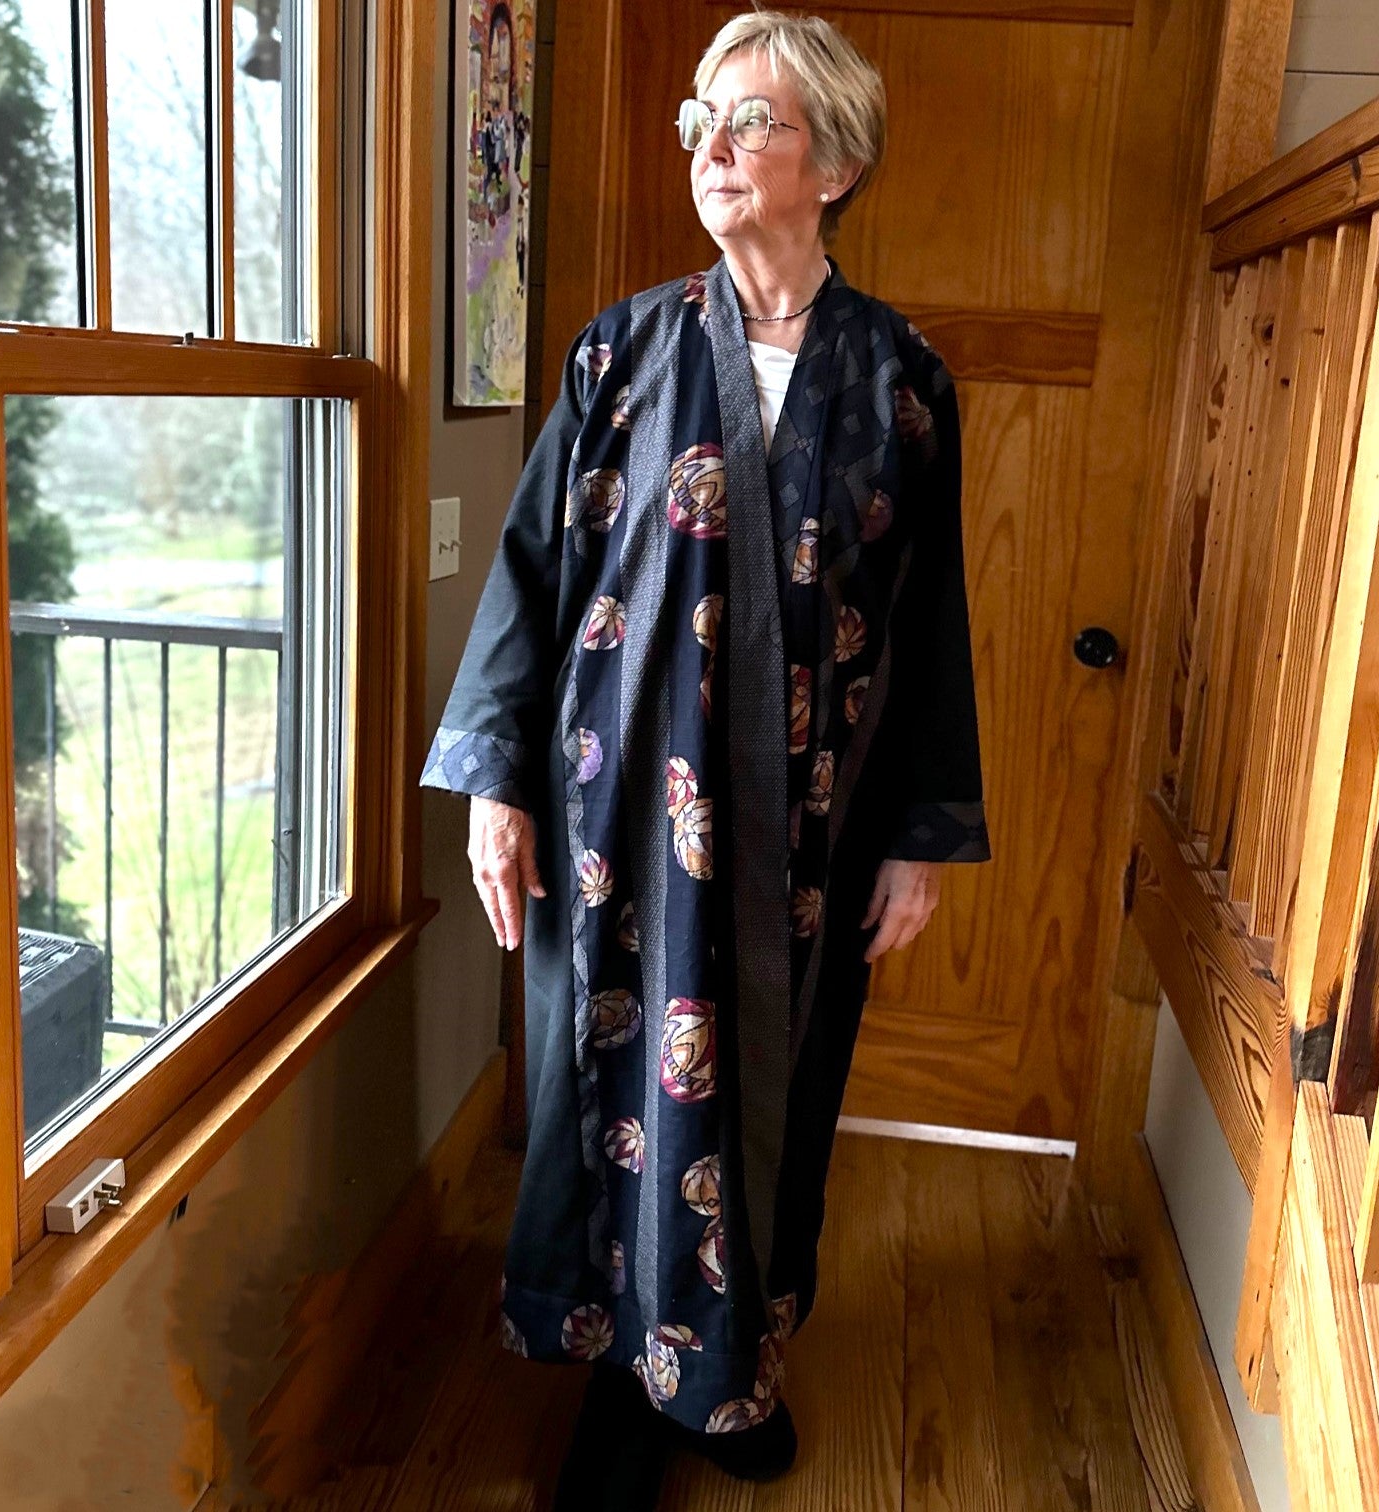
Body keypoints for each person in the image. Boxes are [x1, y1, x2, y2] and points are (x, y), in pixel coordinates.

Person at [420, 11, 990, 1509]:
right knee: (613, 1083)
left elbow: (931, 627)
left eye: (756, 123)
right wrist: (495, 785)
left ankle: (726, 1376)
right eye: (702, 120)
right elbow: (532, 576)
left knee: (771, 1093)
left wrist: (922, 833)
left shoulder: (906, 383)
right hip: (614, 813)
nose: (715, 148)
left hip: (809, 826)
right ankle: (627, 1379)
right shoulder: (622, 349)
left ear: (840, 164)